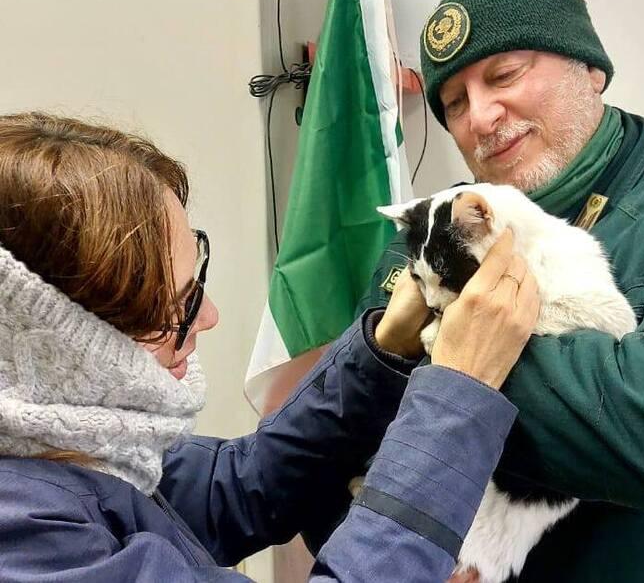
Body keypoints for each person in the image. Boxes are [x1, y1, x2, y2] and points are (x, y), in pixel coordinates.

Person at [351, 0, 644, 582]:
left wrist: (457, 362)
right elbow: (345, 443)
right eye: (454, 103)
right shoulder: (439, 233)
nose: (481, 117)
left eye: (504, 75)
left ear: (590, 69)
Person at [0, 112, 540, 582]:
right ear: (59, 347)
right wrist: (457, 395)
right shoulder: (28, 540)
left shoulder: (80, 441)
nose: (209, 317)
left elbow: (235, 489)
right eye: (177, 305)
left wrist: (381, 352)